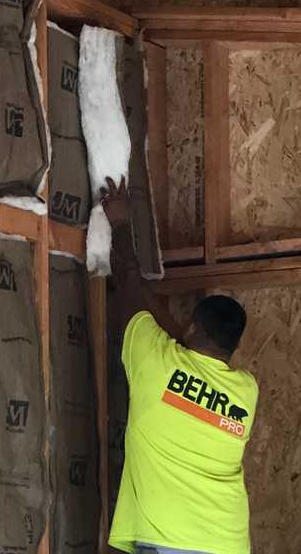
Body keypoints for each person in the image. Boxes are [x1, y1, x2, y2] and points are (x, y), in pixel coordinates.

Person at [100, 176, 259, 554]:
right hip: (225, 539)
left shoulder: (157, 361)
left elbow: (127, 281)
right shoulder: (245, 392)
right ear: (233, 346)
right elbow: (181, 344)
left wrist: (119, 221)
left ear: (192, 328)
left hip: (171, 537)